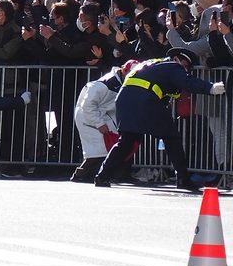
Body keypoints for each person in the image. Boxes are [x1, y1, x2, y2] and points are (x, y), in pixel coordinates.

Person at [94, 48, 225, 190]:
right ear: (177, 59)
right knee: (172, 138)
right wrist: (210, 87)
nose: (185, 69)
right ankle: (183, 179)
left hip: (124, 100)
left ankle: (102, 176)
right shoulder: (173, 66)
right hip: (145, 99)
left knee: (126, 141)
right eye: (185, 64)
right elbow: (186, 82)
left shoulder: (152, 64)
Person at [70, 61, 136, 183]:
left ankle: (120, 174)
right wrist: (99, 123)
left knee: (117, 146)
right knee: (99, 151)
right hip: (88, 116)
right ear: (123, 71)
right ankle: (81, 174)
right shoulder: (104, 84)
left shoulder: (118, 82)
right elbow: (88, 104)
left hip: (102, 116)